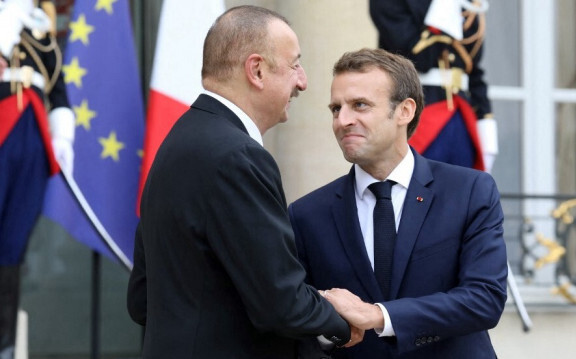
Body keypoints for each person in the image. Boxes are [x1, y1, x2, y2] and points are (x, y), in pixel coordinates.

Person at [127, 6, 361, 359]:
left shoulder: (178, 142)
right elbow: (281, 302)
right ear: (257, 70)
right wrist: (342, 321)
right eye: (295, 63)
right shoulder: (237, 157)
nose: (303, 81)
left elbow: (142, 300)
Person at [288, 48, 507, 358]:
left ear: (405, 111)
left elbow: (484, 299)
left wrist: (378, 316)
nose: (343, 120)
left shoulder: (470, 191)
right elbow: (297, 325)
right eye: (336, 108)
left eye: (360, 105)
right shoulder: (307, 214)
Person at [0, 1, 75, 357]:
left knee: (13, 244)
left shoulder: (37, 25)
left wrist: (63, 137)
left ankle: (6, 343)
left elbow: (57, 84)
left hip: (31, 131)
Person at [369, 0, 498, 173]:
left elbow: (472, 71)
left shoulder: (466, 4)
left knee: (463, 194)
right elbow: (421, 58)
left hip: (461, 116)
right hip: (417, 114)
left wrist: (485, 122)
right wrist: (441, 13)